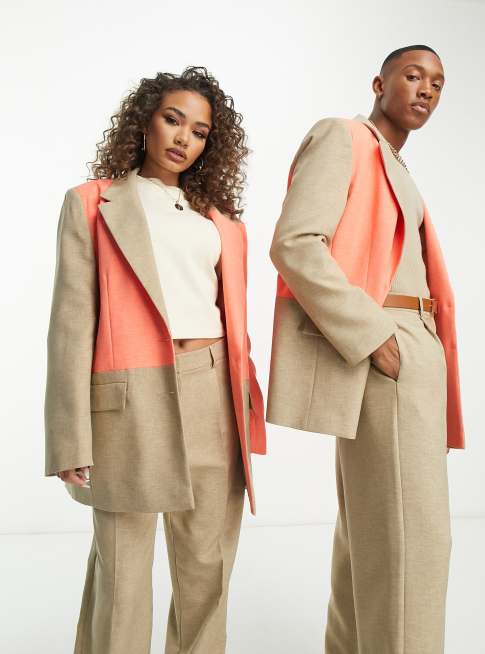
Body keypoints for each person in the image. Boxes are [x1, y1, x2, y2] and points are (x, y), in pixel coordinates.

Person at [44, 66, 266, 654]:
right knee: (122, 570)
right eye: (173, 120)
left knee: (206, 568)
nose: (183, 138)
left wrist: (246, 401)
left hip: (213, 393)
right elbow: (70, 326)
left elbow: (233, 319)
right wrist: (69, 436)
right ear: (145, 122)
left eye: (199, 131)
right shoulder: (92, 203)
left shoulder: (220, 221)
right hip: (131, 398)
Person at [266, 45, 465, 653]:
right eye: (413, 75)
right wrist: (372, 335)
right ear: (379, 83)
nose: (426, 89)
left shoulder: (395, 163)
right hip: (387, 341)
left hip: (413, 344)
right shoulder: (343, 136)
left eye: (437, 83)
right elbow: (296, 242)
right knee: (414, 538)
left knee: (372, 534)